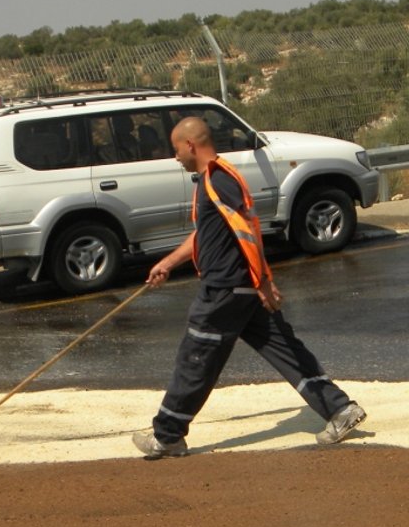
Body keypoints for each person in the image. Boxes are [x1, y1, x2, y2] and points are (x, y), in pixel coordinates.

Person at [132, 116, 366, 459]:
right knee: (284, 348)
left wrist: (265, 281)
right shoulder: (216, 179)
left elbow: (247, 232)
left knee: (195, 359)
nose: (176, 157)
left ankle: (167, 435)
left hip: (224, 290)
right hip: (242, 289)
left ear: (190, 145)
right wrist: (169, 263)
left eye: (176, 149)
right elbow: (209, 234)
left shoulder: (218, 179)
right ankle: (339, 410)